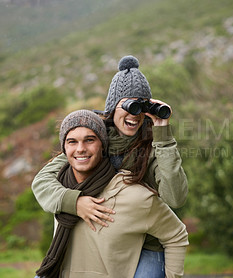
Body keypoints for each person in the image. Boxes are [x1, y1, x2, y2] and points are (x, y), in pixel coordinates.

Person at [32, 56, 188, 277]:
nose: (135, 114)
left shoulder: (153, 148)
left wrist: (162, 131)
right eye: (129, 105)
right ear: (112, 108)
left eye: (141, 106)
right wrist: (75, 202)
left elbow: (176, 198)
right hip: (105, 238)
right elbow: (42, 181)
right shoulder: (91, 140)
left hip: (146, 241)